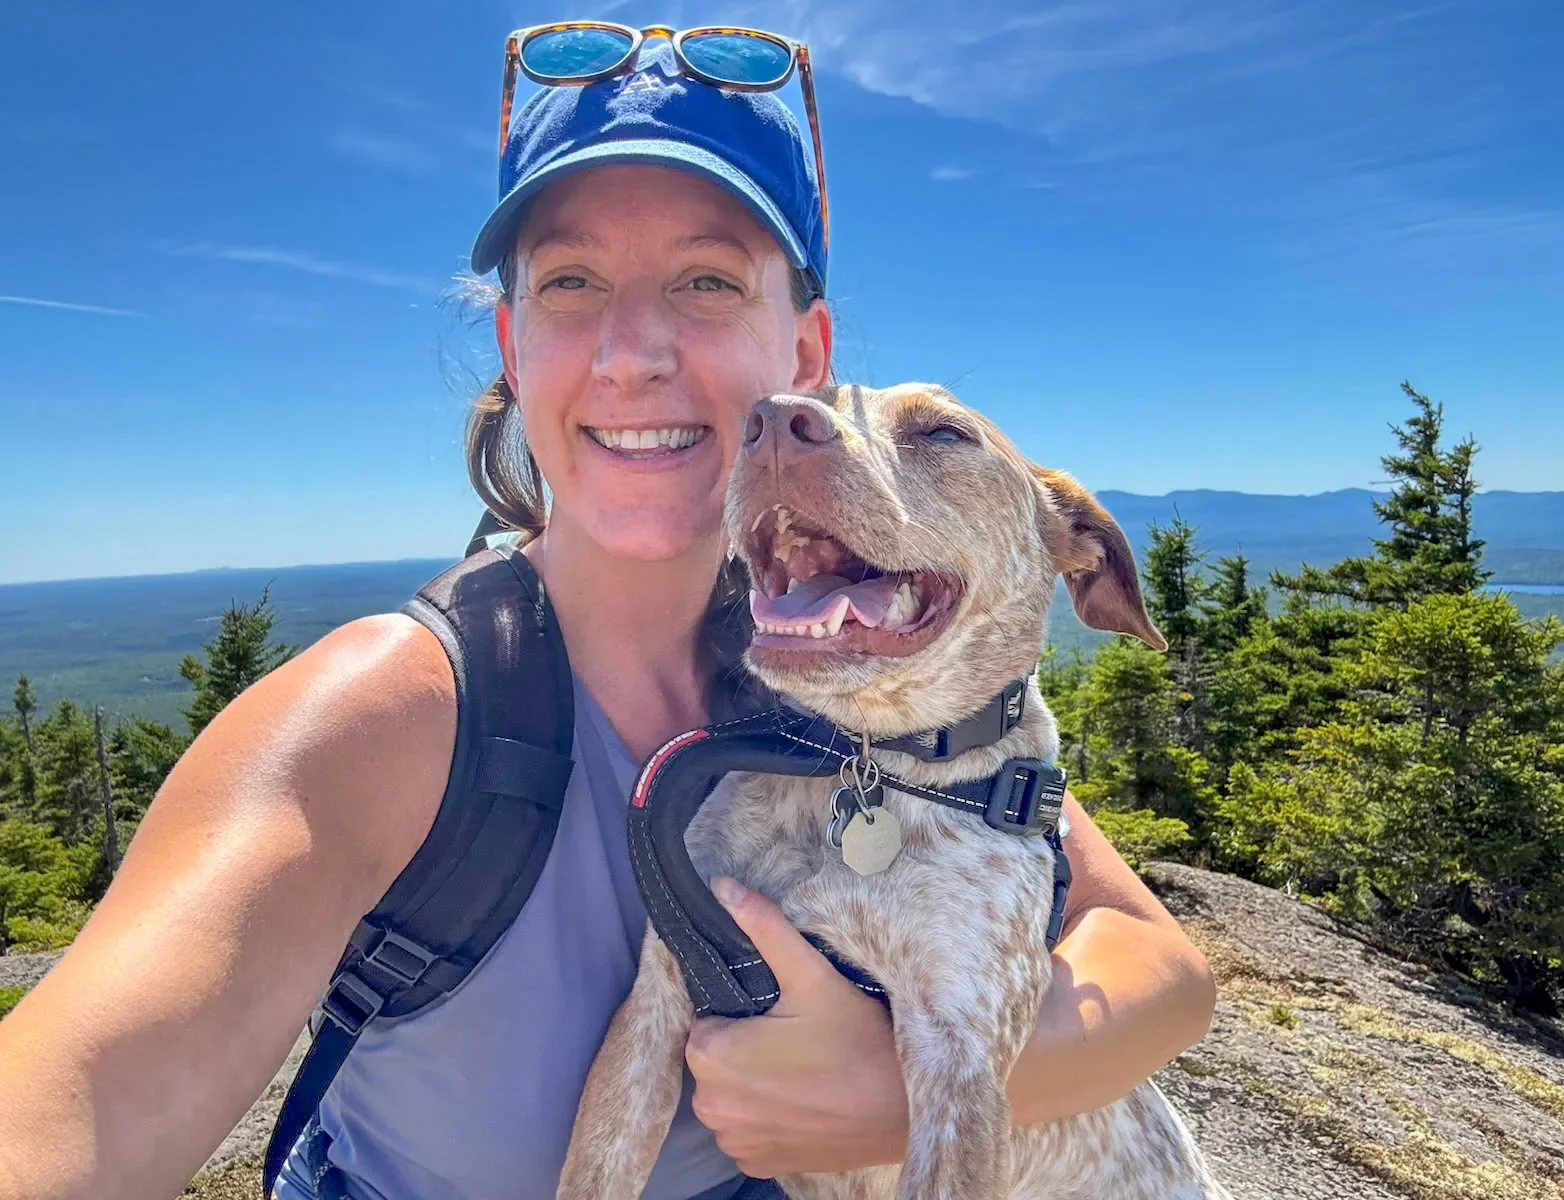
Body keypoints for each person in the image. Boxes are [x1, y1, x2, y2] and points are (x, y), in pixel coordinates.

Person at [0, 23, 1216, 1200]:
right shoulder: (383, 715)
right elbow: (78, 1105)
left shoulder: (844, 668)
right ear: (514, 346)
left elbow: (1159, 968)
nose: (634, 350)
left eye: (705, 279)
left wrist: (882, 1093)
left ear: (804, 353)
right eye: (573, 281)